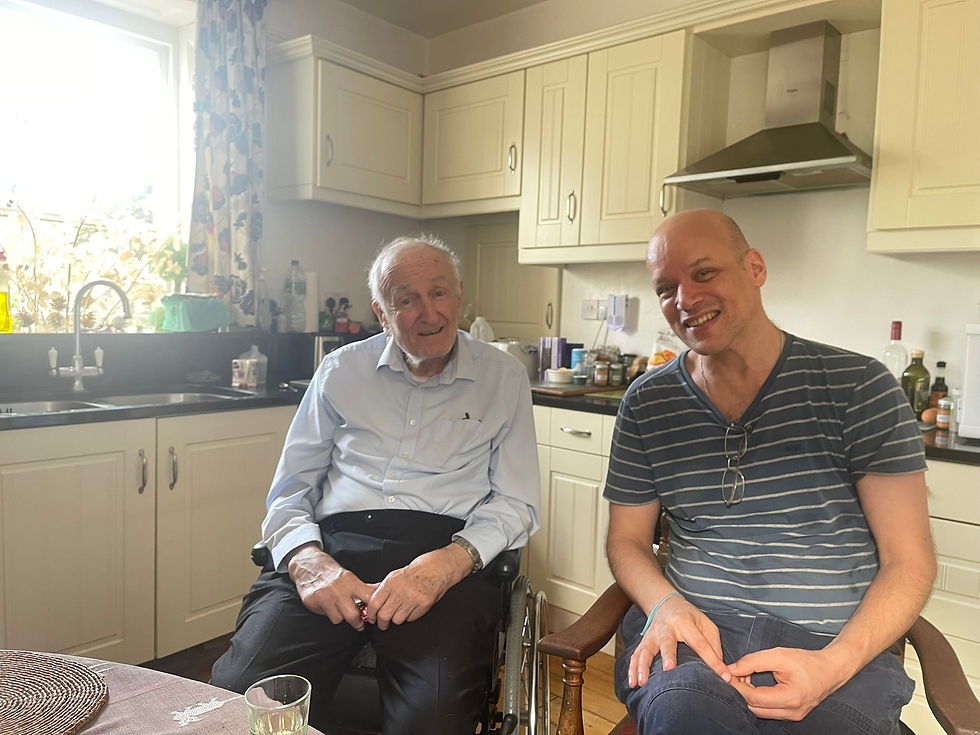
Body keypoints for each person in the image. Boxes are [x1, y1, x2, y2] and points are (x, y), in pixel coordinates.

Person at [603, 210, 935, 734]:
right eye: (667, 287)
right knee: (685, 714)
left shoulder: (859, 387)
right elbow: (626, 540)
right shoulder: (648, 403)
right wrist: (664, 604)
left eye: (704, 273)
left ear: (754, 267)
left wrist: (833, 666)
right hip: (697, 647)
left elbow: (909, 561)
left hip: (831, 649)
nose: (685, 299)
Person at [210, 234, 540, 735]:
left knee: (430, 722)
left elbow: (516, 502)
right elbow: (289, 491)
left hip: (444, 561)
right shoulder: (340, 371)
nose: (429, 313)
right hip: (336, 551)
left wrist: (445, 567)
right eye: (406, 300)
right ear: (382, 314)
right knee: (241, 698)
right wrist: (307, 562)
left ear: (460, 294)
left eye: (440, 293)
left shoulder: (504, 377)